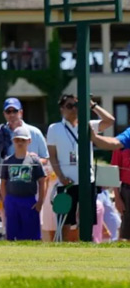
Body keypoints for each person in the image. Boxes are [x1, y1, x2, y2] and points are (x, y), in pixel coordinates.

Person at [47, 94, 115, 241]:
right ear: (62, 109)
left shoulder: (88, 125)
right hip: (66, 182)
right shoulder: (54, 128)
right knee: (64, 222)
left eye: (76, 106)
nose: (73, 109)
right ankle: (62, 254)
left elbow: (110, 121)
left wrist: (92, 105)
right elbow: (52, 156)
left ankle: (84, 250)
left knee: (87, 222)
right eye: (69, 106)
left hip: (87, 181)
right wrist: (61, 177)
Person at [0, 97, 49, 202]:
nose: (12, 114)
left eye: (15, 111)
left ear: (21, 112)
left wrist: (33, 161)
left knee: (33, 217)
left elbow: (45, 158)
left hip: (32, 187)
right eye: (8, 111)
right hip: (8, 187)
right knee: (8, 218)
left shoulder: (35, 132)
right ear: (4, 114)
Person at [0, 126, 46, 241]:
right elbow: (3, 183)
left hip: (29, 200)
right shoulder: (7, 161)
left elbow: (42, 181)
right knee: (12, 234)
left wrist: (40, 201)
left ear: (29, 141)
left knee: (31, 235)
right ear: (13, 141)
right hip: (12, 200)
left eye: (23, 140)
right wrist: (5, 201)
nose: (20, 143)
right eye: (17, 140)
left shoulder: (34, 161)